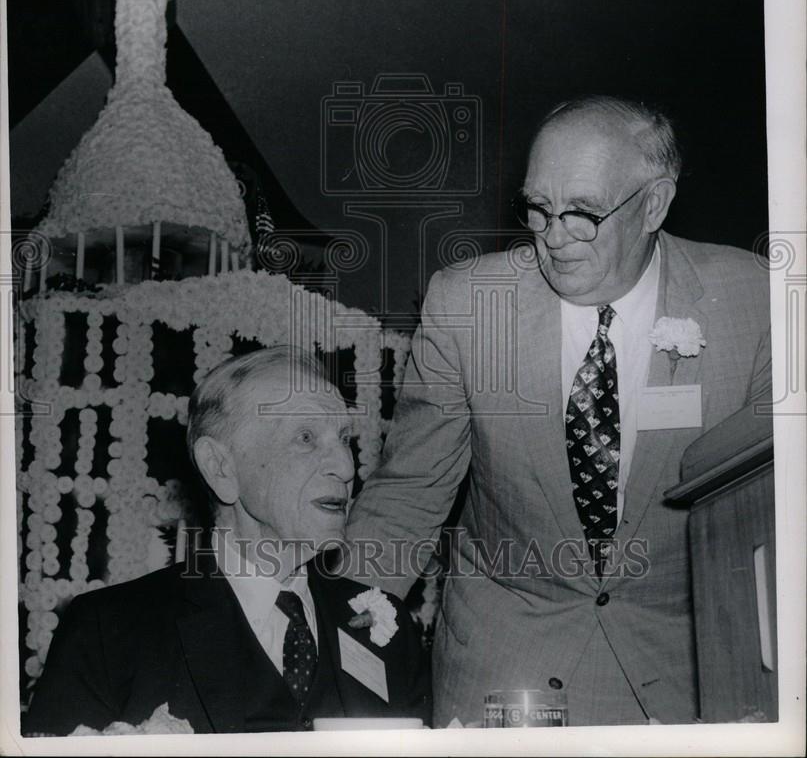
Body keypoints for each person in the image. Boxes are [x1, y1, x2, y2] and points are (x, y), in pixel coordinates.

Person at [345, 96, 771, 726]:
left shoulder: (757, 299)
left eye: (583, 214)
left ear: (655, 203)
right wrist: (342, 623)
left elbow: (776, 511)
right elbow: (411, 489)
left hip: (687, 666)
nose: (553, 238)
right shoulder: (468, 303)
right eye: (537, 209)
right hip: (502, 657)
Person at [24, 346, 431, 735]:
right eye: (306, 438)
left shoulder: (390, 634)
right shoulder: (108, 633)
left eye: (344, 438)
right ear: (220, 468)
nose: (345, 467)